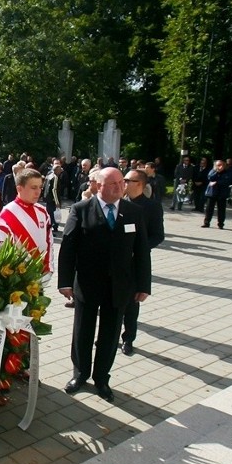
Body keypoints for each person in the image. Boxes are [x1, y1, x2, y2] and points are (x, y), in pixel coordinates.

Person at [58, 167, 151, 403]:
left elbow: (141, 251)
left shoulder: (133, 212)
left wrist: (143, 284)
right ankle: (80, 375)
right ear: (99, 186)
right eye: (113, 184)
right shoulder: (81, 209)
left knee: (110, 335)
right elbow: (68, 247)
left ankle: (102, 379)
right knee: (83, 332)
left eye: (122, 183)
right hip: (88, 284)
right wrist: (65, 282)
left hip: (120, 285)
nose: (120, 187)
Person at [120, 169, 164, 355]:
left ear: (140, 184)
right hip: (116, 261)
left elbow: (158, 235)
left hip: (135, 263)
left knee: (131, 304)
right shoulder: (119, 203)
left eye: (128, 180)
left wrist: (140, 248)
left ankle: (128, 339)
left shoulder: (152, 207)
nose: (124, 183)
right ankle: (109, 336)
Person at [0, 169, 55, 282]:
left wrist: (48, 267)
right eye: (33, 188)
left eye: (40, 187)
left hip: (40, 272)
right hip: (17, 277)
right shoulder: (7, 213)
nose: (38, 192)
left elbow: (49, 241)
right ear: (19, 188)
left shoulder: (42, 211)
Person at [201, 160, 232, 229]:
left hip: (222, 193)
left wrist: (216, 182)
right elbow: (210, 178)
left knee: (221, 210)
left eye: (221, 165)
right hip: (212, 193)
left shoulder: (227, 172)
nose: (220, 166)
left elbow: (227, 181)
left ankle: (221, 224)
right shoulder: (213, 171)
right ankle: (206, 223)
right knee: (209, 209)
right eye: (218, 165)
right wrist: (217, 172)